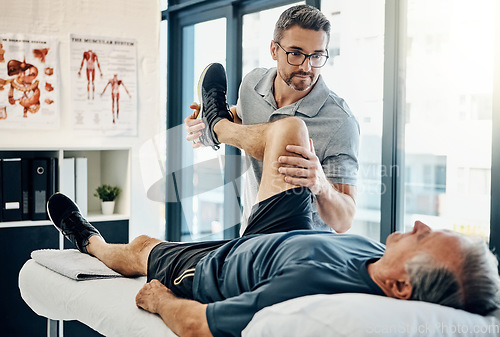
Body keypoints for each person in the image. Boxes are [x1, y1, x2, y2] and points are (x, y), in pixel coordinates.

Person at [48, 108, 500, 336]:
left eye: (426, 238)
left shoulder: (308, 291)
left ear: (401, 288)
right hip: (281, 232)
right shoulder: (383, 260)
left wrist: (161, 300)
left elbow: (197, 326)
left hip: (219, 268)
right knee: (290, 131)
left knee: (141, 246)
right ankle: (218, 126)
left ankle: (89, 239)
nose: (419, 224)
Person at [185, 5, 359, 235]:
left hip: (302, 251)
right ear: (273, 50)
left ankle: (218, 127)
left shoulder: (340, 122)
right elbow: (244, 124)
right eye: (295, 53)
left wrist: (320, 184)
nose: (306, 67)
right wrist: (203, 127)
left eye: (317, 56)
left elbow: (344, 221)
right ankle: (216, 126)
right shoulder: (251, 85)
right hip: (251, 236)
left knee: (290, 130)